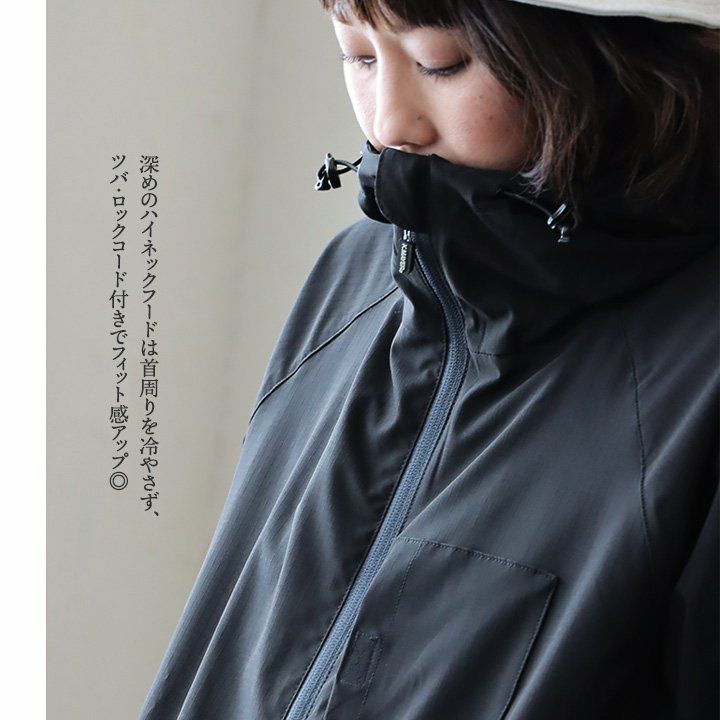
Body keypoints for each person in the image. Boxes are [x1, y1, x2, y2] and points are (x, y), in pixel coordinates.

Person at [139, 1, 719, 718]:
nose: (388, 124)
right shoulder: (354, 277)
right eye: (358, 55)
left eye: (438, 63)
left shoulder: (700, 356)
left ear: (601, 51)